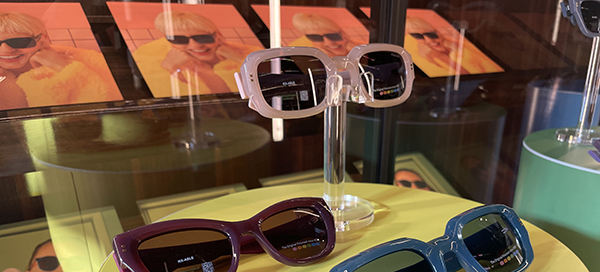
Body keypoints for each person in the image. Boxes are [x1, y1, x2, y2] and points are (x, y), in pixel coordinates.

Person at [0, 11, 121, 109]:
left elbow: (107, 103)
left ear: (43, 38)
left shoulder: (85, 60)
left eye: (19, 42)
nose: (5, 50)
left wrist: (63, 67)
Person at [133, 11, 261, 98]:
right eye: (179, 40)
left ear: (218, 36)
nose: (195, 45)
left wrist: (240, 60)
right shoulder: (151, 60)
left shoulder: (248, 52)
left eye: (202, 38)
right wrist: (169, 69)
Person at [405, 15, 501, 77]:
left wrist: (457, 51)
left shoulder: (463, 46)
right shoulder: (419, 57)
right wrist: (440, 57)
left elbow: (471, 77)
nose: (429, 40)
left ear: (438, 32)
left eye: (431, 34)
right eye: (418, 36)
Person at [290, 13, 364, 57]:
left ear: (343, 34)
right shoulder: (303, 53)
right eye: (316, 38)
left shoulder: (361, 48)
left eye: (333, 36)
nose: (329, 43)